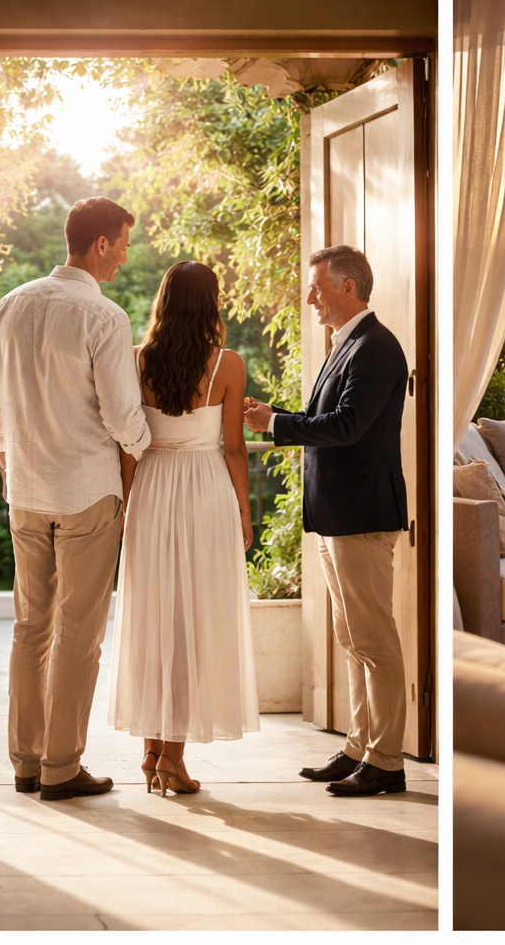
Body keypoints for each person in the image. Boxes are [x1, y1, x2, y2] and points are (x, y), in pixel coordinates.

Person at [0, 197, 151, 801]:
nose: (126, 257)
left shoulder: (11, 304)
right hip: (87, 492)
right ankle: (61, 767)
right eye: (124, 244)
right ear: (100, 244)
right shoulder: (104, 316)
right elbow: (123, 415)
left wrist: (7, 455)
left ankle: (24, 763)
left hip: (26, 491)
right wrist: (151, 444)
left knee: (30, 627)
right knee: (79, 634)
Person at [244, 245, 409, 797]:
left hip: (362, 515)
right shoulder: (348, 344)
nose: (310, 296)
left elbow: (345, 427)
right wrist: (278, 419)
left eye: (317, 286)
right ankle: (359, 748)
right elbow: (324, 421)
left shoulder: (377, 348)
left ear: (347, 287)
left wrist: (275, 424)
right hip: (339, 515)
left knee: (374, 640)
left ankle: (387, 761)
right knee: (353, 636)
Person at [108, 261, 260, 795]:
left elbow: (130, 446)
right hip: (204, 492)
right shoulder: (228, 364)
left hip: (151, 489)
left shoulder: (136, 361)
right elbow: (235, 450)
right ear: (211, 304)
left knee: (153, 619)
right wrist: (244, 512)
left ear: (164, 301)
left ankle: (152, 752)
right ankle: (172, 758)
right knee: (194, 621)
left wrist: (127, 506)